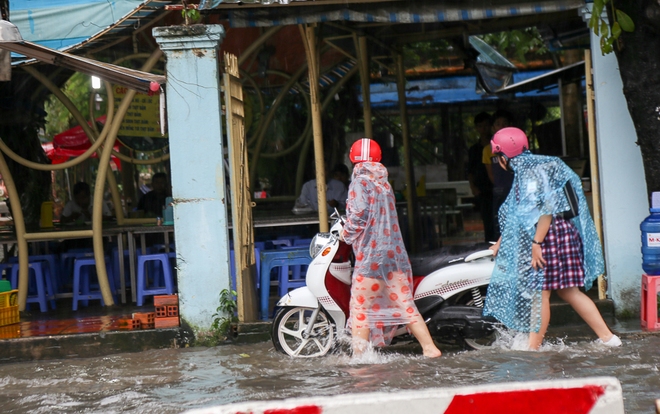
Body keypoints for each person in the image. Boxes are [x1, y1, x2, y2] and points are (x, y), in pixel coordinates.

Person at [482, 127, 621, 350]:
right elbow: (521, 213)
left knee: (540, 294)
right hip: (561, 233)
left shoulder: (530, 172)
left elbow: (545, 209)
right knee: (569, 291)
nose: (498, 162)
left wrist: (537, 244)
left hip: (549, 236)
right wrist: (500, 243)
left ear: (504, 155)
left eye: (498, 157)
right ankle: (609, 339)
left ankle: (533, 348)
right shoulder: (534, 166)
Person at [341, 138, 442, 358]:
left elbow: (358, 217)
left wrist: (345, 234)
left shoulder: (360, 182)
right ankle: (430, 348)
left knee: (360, 308)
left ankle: (360, 359)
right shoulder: (383, 183)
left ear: (354, 159)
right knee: (406, 305)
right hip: (393, 256)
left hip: (371, 257)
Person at [482, 109, 515, 240]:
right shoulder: (488, 149)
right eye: (498, 124)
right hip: (500, 190)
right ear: (493, 127)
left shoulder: (516, 145)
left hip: (516, 188)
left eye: (505, 123)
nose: (502, 126)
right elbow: (491, 174)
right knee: (500, 223)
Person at [467, 112, 495, 242]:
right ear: (476, 128)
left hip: (497, 187)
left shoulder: (497, 146)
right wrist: (473, 187)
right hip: (483, 189)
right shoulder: (474, 150)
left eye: (486, 126)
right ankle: (489, 245)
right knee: (487, 219)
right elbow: (470, 170)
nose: (483, 129)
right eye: (480, 126)